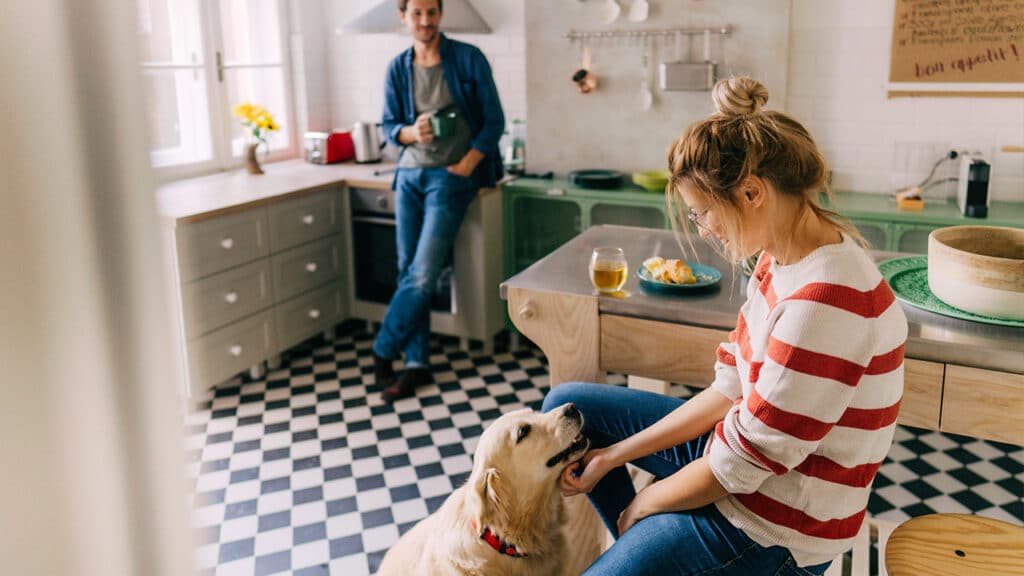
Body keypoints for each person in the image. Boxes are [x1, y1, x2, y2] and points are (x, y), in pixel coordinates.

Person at [542, 77, 907, 575]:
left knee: (633, 528)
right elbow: (729, 389)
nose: (704, 230)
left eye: (703, 213)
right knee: (571, 411)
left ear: (752, 192)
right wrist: (612, 457)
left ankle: (642, 546)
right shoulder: (782, 257)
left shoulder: (826, 304)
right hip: (748, 465)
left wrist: (645, 505)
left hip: (776, 526)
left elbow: (740, 465)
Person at [374, 0, 505, 403]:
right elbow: (389, 126)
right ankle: (416, 363)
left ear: (440, 14)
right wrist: (411, 134)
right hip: (409, 175)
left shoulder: (467, 58)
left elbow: (494, 121)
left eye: (431, 12)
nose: (425, 20)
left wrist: (467, 163)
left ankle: (382, 348)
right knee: (407, 271)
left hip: (450, 178)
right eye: (417, 13)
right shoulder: (398, 67)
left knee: (422, 273)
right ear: (403, 17)